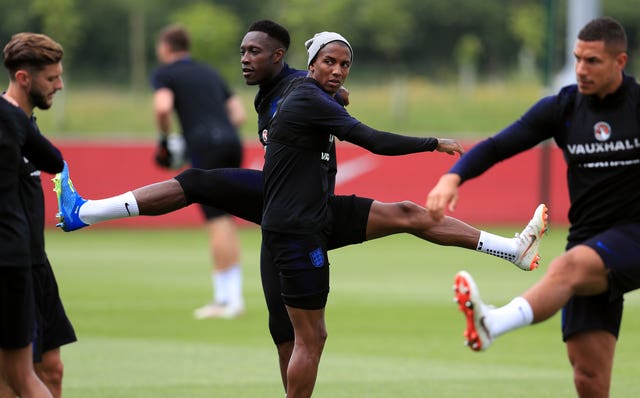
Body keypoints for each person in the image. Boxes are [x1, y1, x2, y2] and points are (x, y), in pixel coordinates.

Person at [54, 21, 546, 395]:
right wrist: (336, 91)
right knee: (283, 329)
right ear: (308, 63)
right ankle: (86, 213)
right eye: (243, 51)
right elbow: (320, 97)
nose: (244, 59)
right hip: (289, 214)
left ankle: (512, 250)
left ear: (280, 56)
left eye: (254, 52)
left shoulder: (304, 93)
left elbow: (368, 137)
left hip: (304, 220)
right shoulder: (278, 93)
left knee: (402, 220)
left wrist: (430, 141)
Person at [426, 16, 637, 398]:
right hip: (590, 241)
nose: (581, 70)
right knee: (588, 377)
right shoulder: (564, 107)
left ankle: (492, 321)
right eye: (577, 59)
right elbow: (497, 146)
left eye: (593, 61)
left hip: (634, 235)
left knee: (569, 267)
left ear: (620, 62)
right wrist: (451, 177)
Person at [152, 25, 248, 319]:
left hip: (206, 147)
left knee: (215, 220)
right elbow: (239, 114)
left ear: (166, 48)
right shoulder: (209, 72)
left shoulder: (165, 72)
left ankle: (224, 300)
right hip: (232, 143)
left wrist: (166, 139)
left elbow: (162, 107)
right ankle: (234, 296)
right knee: (226, 218)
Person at [0, 32, 74, 398]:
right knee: (15, 376)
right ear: (23, 78)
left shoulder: (24, 124)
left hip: (36, 263)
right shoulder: (6, 120)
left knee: (51, 369)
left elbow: (54, 161)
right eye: (51, 78)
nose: (59, 85)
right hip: (12, 263)